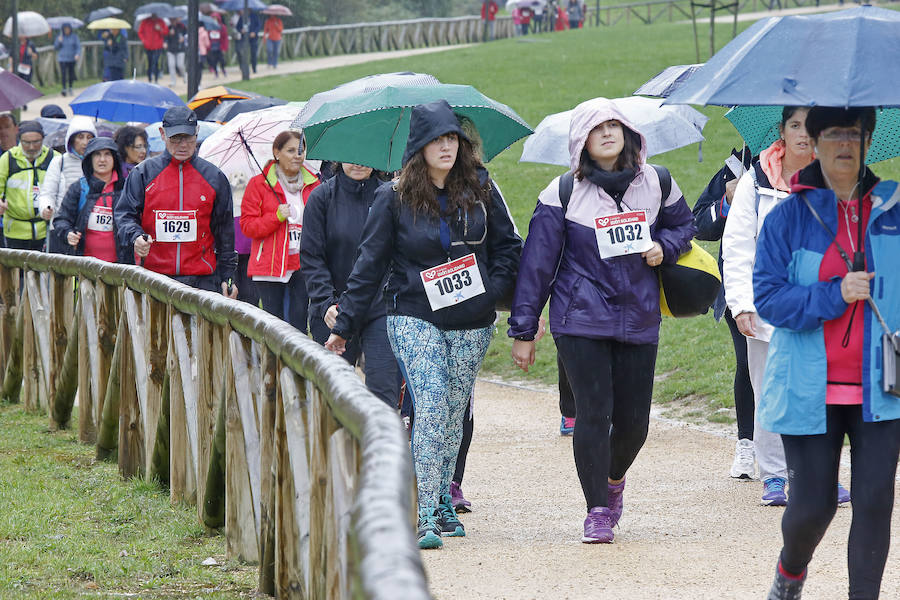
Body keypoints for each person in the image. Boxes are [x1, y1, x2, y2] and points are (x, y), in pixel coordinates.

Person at [324, 100, 521, 550]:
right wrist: (345, 326)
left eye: (452, 138)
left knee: (453, 413)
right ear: (419, 146)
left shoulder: (484, 188)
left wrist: (492, 291)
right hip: (412, 313)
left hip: (472, 318)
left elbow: (510, 248)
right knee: (429, 404)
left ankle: (443, 500)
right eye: (437, 139)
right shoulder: (391, 197)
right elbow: (368, 266)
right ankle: (424, 508)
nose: (447, 147)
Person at [508, 98, 695, 544]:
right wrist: (523, 329)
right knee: (594, 413)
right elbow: (536, 264)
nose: (608, 133)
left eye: (615, 125)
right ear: (582, 142)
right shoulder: (562, 192)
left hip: (639, 315)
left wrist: (664, 247)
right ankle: (595, 509)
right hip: (580, 317)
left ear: (630, 133)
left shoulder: (659, 182)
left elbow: (684, 226)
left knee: (634, 423)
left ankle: (613, 482)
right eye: (598, 128)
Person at [754, 106, 900, 600]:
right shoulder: (789, 217)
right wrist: (835, 294)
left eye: (854, 134)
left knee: (875, 500)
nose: (844, 144)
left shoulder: (894, 211)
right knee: (814, 506)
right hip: (807, 387)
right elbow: (769, 298)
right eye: (833, 134)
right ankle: (791, 571)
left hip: (882, 387)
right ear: (813, 142)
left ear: (867, 141)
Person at [722, 107, 851, 508]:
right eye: (795, 125)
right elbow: (738, 245)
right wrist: (741, 304)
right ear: (781, 131)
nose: (803, 133)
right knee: (771, 392)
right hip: (767, 307)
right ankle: (775, 475)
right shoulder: (754, 180)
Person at [302, 161, 401, 406]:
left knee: (383, 394)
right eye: (351, 155)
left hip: (380, 308)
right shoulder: (321, 197)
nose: (358, 163)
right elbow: (312, 257)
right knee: (331, 395)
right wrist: (326, 302)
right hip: (333, 309)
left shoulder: (391, 196)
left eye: (366, 157)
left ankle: (379, 444)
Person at [114, 107, 238, 298]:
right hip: (154, 278)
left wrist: (228, 277)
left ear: (196, 133)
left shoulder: (214, 177)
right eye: (175, 138)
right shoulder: (142, 174)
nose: (182, 145)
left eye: (188, 138)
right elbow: (124, 216)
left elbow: (225, 232)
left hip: (202, 280)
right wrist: (135, 236)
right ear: (162, 134)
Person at [692, 147, 757, 479]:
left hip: (792, 284)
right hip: (740, 282)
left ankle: (797, 451)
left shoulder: (815, 165)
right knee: (748, 363)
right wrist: (727, 201)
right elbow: (699, 222)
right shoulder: (739, 164)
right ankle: (746, 443)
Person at [239, 131, 319, 330]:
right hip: (269, 265)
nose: (297, 156)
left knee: (299, 321)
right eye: (291, 150)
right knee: (273, 325)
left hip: (303, 263)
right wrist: (276, 217)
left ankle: (295, 362)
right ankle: (273, 362)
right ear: (277, 152)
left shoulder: (314, 184)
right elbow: (248, 226)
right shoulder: (258, 184)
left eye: (301, 150)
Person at [52, 137, 125, 262]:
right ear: (89, 159)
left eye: (107, 154)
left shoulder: (125, 188)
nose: (102, 159)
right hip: (84, 265)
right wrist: (68, 233)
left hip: (119, 266)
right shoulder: (79, 188)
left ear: (114, 159)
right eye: (97, 154)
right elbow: (61, 219)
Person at [37, 116, 97, 253]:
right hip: (61, 227)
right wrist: (46, 208)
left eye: (89, 137)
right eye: (80, 137)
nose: (85, 142)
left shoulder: (98, 163)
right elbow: (48, 192)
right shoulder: (59, 162)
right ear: (71, 139)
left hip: (87, 229)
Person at [0, 121, 59, 251]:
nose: (32, 147)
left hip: (46, 230)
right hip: (15, 231)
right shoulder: (8, 159)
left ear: (43, 139)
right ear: (19, 140)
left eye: (36, 142)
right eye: (26, 143)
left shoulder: (54, 158)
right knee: (17, 271)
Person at [138, 12, 168, 84]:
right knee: (149, 63)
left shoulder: (161, 21)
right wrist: (143, 40)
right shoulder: (145, 21)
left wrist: (159, 29)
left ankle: (156, 79)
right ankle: (149, 78)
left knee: (156, 62)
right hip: (148, 46)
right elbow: (140, 32)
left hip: (158, 46)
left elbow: (166, 32)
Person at [54, 23, 81, 97]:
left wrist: (77, 54)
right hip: (62, 58)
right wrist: (59, 41)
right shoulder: (60, 37)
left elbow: (78, 46)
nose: (67, 30)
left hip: (71, 58)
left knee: (71, 73)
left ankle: (70, 87)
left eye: (68, 28)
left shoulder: (74, 37)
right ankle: (64, 88)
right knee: (63, 74)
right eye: (65, 29)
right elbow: (56, 47)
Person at [235, 9, 261, 75]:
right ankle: (243, 68)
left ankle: (254, 68)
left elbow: (258, 26)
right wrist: (241, 30)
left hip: (253, 38)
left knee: (253, 53)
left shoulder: (254, 16)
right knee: (242, 53)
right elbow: (237, 27)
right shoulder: (242, 17)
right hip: (244, 38)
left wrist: (254, 32)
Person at [164, 16, 187, 87]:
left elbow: (187, 34)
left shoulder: (182, 26)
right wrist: (165, 42)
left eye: (174, 19)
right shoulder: (168, 28)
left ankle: (184, 76)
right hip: (171, 50)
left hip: (180, 49)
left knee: (180, 65)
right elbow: (165, 37)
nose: (172, 21)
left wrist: (184, 38)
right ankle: (173, 81)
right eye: (171, 19)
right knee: (171, 65)